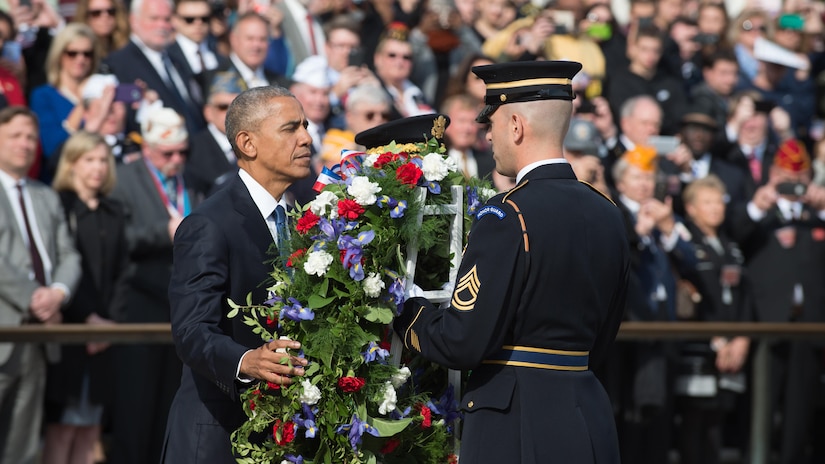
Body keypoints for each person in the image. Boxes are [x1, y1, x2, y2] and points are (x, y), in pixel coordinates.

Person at [392, 60, 630, 463]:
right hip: (586, 414)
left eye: (492, 124)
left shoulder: (505, 214)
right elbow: (604, 336)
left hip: (515, 423)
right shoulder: (608, 211)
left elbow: (461, 341)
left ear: (516, 126)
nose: (488, 137)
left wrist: (403, 307)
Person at [162, 85, 310, 463]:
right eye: (290, 128)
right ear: (248, 143)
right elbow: (191, 331)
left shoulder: (301, 221)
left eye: (306, 126)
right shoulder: (208, 223)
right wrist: (247, 360)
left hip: (281, 435)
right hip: (217, 435)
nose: (307, 138)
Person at [107, 107, 196, 464]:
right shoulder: (123, 179)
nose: (176, 160)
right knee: (135, 407)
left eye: (182, 152)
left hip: (179, 306)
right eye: (168, 153)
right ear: (147, 149)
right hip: (138, 304)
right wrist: (161, 233)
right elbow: (114, 240)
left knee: (167, 406)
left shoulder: (189, 181)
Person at [0, 105, 81, 464]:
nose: (26, 144)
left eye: (31, 137)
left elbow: (69, 254)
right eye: (15, 135)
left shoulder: (45, 195)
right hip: (6, 326)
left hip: (39, 332)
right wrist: (33, 296)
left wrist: (58, 293)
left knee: (23, 439)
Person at [42, 131, 127, 464]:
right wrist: (88, 318)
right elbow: (60, 266)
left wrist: (110, 323)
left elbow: (123, 271)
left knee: (91, 428)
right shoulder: (59, 206)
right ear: (72, 164)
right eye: (89, 160)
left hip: (105, 332)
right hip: (72, 329)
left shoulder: (113, 210)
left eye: (103, 160)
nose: (98, 168)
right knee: (63, 427)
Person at [102, 0, 206, 136]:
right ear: (133, 20)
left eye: (167, 19)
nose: (162, 25)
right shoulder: (117, 64)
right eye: (154, 18)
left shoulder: (177, 59)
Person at [29, 23, 99, 182]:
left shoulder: (101, 93)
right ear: (59, 55)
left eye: (87, 54)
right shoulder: (43, 95)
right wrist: (83, 104)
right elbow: (52, 148)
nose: (80, 59)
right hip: (61, 182)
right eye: (72, 53)